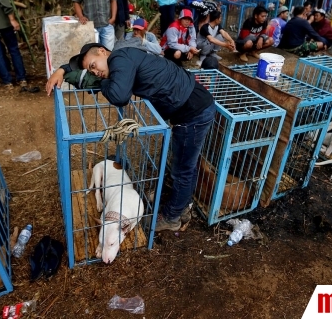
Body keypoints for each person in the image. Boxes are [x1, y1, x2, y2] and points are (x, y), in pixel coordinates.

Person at [45, 42, 216, 232]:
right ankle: (182, 206)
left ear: (103, 52)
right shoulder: (121, 59)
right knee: (184, 166)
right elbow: (101, 78)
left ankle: (172, 217)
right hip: (191, 106)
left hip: (193, 112)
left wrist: (102, 83)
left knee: (183, 170)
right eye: (90, 71)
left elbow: (119, 96)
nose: (94, 72)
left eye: (93, 66)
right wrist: (61, 70)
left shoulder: (118, 58)